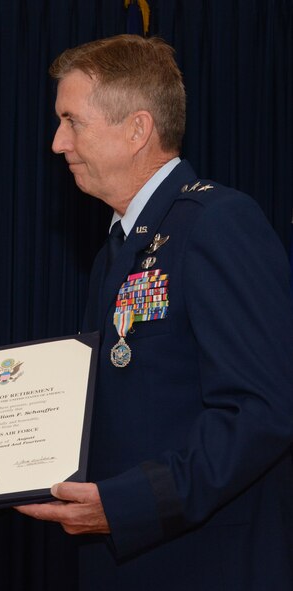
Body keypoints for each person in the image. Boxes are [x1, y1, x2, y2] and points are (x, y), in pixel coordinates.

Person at [16, 35, 293, 589]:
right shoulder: (117, 249)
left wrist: (130, 504)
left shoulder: (216, 222)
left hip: (204, 562)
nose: (56, 142)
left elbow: (260, 412)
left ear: (137, 129)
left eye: (72, 121)